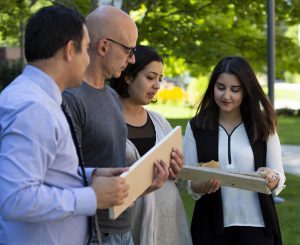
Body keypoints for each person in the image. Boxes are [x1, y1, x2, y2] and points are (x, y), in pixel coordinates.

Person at [0, 5, 129, 245]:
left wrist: (92, 175)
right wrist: (93, 196)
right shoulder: (32, 108)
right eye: (86, 49)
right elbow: (15, 199)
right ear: (71, 50)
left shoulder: (40, 99)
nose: (89, 59)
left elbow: (46, 173)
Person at [63, 6, 183, 245]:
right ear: (104, 46)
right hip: (91, 232)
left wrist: (147, 182)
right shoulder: (70, 98)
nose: (133, 59)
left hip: (122, 229)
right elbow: (62, 178)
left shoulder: (110, 97)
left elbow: (114, 172)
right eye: (129, 50)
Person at [183, 56, 286, 245]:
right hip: (210, 227)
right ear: (212, 86)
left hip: (258, 227)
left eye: (235, 90)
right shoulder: (196, 127)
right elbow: (189, 180)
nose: (226, 95)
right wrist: (203, 186)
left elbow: (278, 176)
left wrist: (271, 177)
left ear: (246, 90)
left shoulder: (263, 126)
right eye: (220, 87)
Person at [110, 45, 192, 245]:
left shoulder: (159, 122)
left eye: (160, 79)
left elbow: (177, 176)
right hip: (127, 226)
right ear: (128, 76)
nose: (157, 85)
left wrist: (176, 169)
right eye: (150, 77)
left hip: (167, 225)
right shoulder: (109, 120)